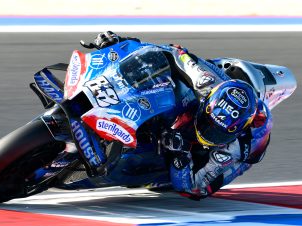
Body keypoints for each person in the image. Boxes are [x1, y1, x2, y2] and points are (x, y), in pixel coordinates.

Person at [82, 31, 272, 200]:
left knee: (191, 187)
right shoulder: (205, 81)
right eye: (208, 122)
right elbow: (173, 52)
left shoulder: (236, 148)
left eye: (216, 131)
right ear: (208, 102)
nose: (207, 131)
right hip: (207, 88)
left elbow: (194, 187)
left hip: (228, 152)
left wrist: (180, 153)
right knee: (161, 77)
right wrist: (121, 45)